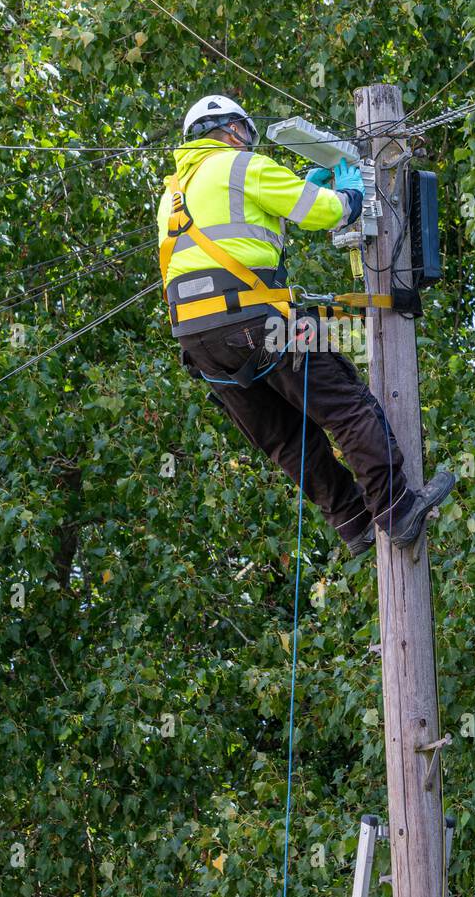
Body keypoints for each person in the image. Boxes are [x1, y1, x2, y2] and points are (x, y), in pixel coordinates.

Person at [157, 93, 455, 554]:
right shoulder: (240, 165)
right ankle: (397, 510)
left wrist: (295, 189)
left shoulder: (174, 193)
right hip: (257, 325)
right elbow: (326, 212)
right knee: (347, 407)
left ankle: (354, 522)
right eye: (246, 137)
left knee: (287, 439)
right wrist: (351, 195)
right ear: (234, 130)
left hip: (201, 345)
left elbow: (235, 239)